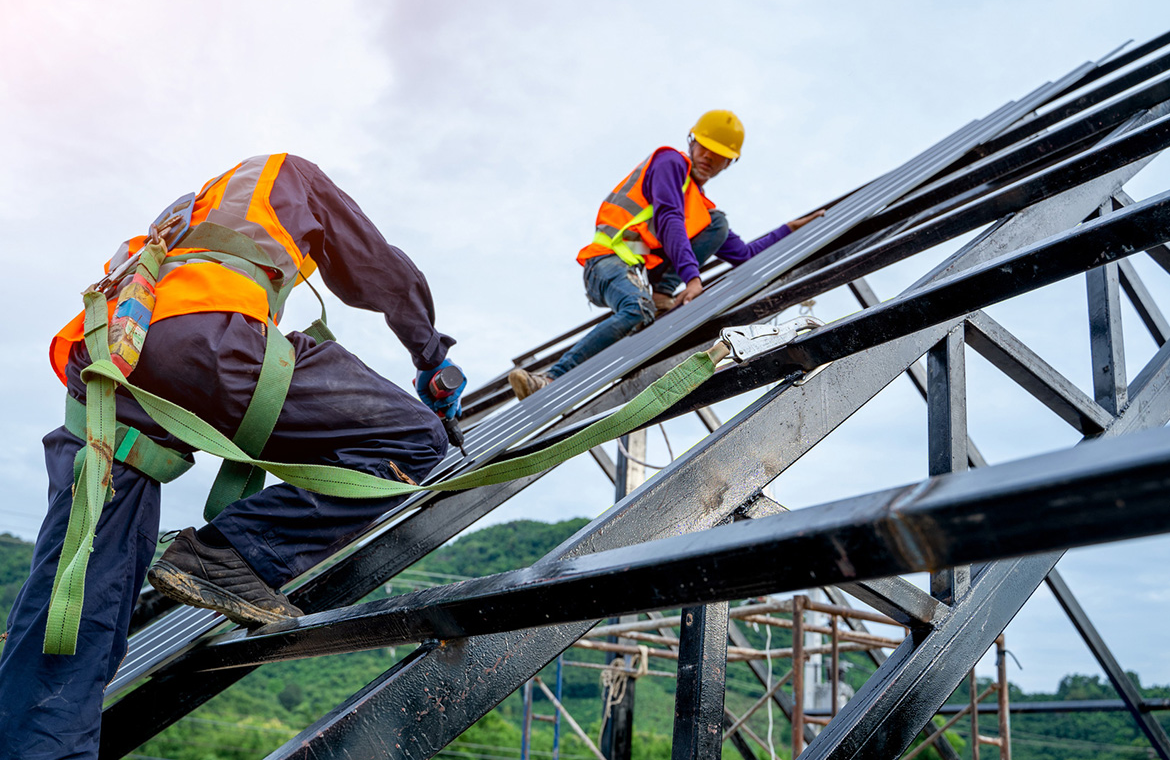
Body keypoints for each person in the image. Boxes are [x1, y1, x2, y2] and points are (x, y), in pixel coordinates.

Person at [0, 153, 465, 759]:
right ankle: (228, 554)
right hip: (205, 340)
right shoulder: (282, 174)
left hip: (107, 373)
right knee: (410, 438)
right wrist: (430, 355)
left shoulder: (182, 219)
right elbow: (377, 270)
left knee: (72, 607)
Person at [508, 110, 825, 400]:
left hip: (636, 268)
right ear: (692, 142)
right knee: (636, 309)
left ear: (730, 163)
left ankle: (660, 294)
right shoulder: (670, 163)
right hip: (605, 261)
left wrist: (789, 230)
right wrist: (691, 278)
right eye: (704, 147)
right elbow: (669, 217)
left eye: (720, 156)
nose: (708, 157)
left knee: (717, 224)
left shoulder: (701, 210)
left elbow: (743, 254)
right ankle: (549, 379)